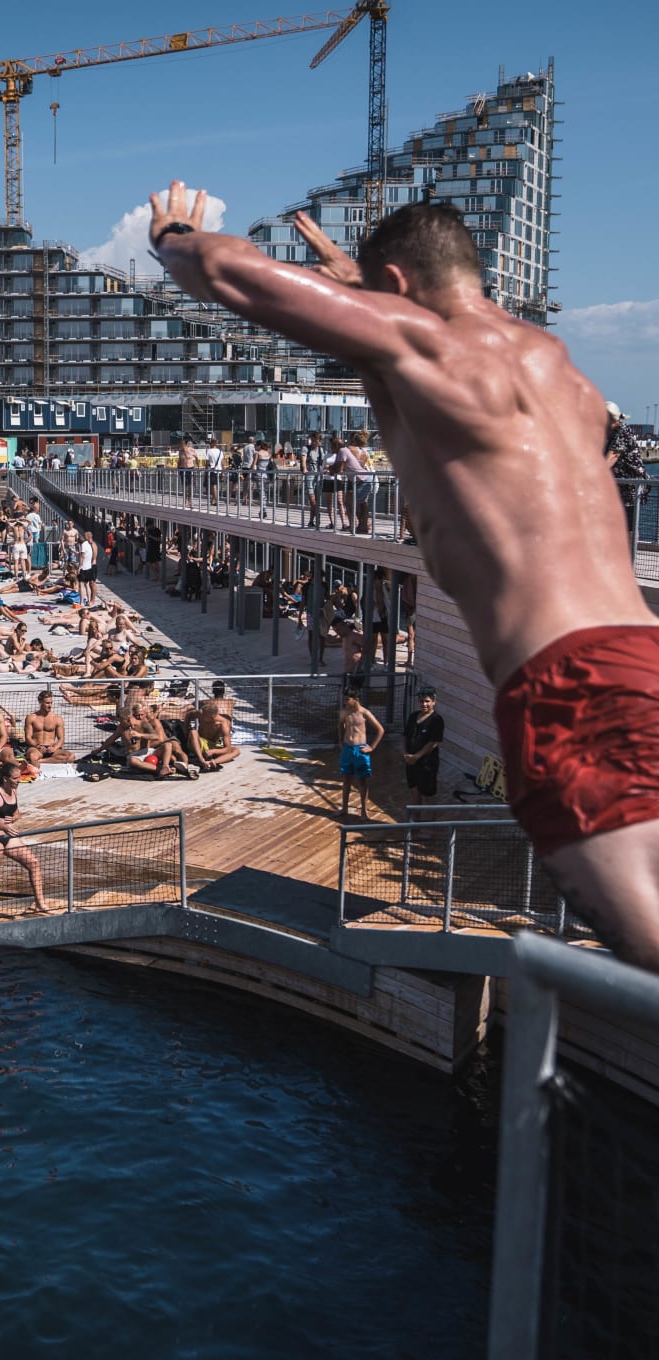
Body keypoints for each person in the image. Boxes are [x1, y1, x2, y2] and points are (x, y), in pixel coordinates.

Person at [149, 183, 659, 969]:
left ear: (394, 291)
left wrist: (175, 233)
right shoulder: (561, 373)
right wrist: (363, 293)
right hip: (641, 649)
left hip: (567, 677)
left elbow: (228, 275)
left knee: (645, 941)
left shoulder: (433, 347)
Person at [0, 761, 51, 923]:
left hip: (9, 838)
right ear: (5, 779)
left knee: (33, 863)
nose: (18, 780)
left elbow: (16, 812)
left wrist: (13, 818)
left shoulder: (13, 790)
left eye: (19, 777)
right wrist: (1, 826)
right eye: (15, 778)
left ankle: (40, 904)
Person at [604, 401, 649, 537]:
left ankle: (630, 554)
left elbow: (613, 455)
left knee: (629, 525)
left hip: (630, 487)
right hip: (618, 486)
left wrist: (595, 475)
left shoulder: (622, 431)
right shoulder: (609, 433)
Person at [338, 695, 384, 820]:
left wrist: (372, 747)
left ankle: (364, 811)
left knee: (362, 782)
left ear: (356, 699)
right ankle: (344, 808)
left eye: (348, 699)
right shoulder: (345, 712)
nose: (345, 701)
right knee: (346, 779)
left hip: (360, 750)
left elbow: (380, 729)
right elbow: (340, 725)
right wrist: (340, 741)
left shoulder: (365, 713)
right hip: (348, 749)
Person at [402, 685, 445, 807]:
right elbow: (405, 736)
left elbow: (434, 742)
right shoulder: (413, 716)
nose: (424, 704)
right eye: (421, 701)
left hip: (427, 764)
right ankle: (416, 821)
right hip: (411, 762)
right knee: (414, 791)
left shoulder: (437, 720)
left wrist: (416, 756)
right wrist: (405, 754)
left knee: (428, 795)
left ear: (433, 702)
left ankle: (430, 824)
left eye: (427, 701)